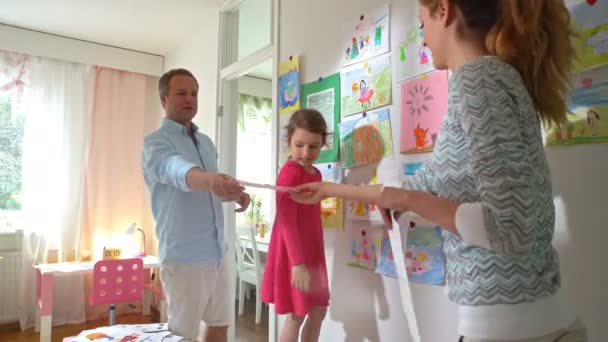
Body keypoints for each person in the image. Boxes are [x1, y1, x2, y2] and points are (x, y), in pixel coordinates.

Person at [290, 1, 588, 341]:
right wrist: (327, 190)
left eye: (422, 23)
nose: (424, 36)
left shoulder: (480, 79)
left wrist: (408, 198)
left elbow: (511, 226)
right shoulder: (485, 80)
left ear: (443, 11)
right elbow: (420, 187)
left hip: (516, 330)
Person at [141, 68, 250, 342]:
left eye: (194, 93)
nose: (190, 99)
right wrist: (211, 180)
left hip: (219, 254)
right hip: (184, 258)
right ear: (164, 99)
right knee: (183, 336)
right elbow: (177, 170)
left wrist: (233, 194)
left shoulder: (206, 142)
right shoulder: (156, 143)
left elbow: (207, 189)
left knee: (219, 327)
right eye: (181, 93)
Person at [261, 109, 330, 342]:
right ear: (289, 140)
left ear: (322, 144)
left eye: (314, 146)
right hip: (294, 254)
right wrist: (297, 262)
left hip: (313, 250)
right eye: (299, 145)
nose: (306, 153)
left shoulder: (317, 174)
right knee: (297, 314)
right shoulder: (289, 174)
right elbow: (287, 222)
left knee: (318, 310)